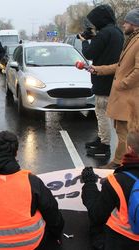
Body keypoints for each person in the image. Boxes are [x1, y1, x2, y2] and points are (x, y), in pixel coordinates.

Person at [0, 131, 64, 249]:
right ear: (16, 152)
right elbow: (52, 212)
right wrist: (57, 235)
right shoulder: (31, 181)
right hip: (32, 243)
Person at [81, 104, 139, 250]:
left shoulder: (117, 181)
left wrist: (89, 183)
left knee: (95, 227)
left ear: (130, 149)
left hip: (125, 240)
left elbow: (96, 214)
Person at [90, 8, 139, 169]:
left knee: (124, 134)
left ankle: (119, 164)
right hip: (124, 97)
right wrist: (97, 69)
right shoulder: (132, 39)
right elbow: (120, 66)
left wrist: (122, 84)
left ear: (134, 24)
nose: (123, 25)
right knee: (122, 132)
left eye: (126, 22)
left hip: (128, 97)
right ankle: (120, 162)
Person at [78, 4, 124, 158]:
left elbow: (89, 53)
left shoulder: (104, 34)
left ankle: (104, 145)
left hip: (102, 80)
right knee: (105, 114)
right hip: (114, 79)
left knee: (101, 113)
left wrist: (85, 40)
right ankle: (101, 138)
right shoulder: (118, 32)